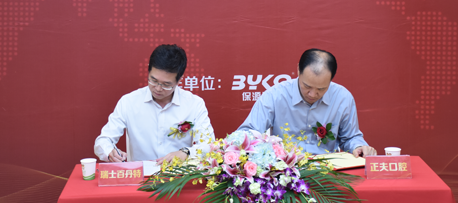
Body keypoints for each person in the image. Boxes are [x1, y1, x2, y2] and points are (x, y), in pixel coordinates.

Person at [238, 49, 376, 157]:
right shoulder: (275, 96)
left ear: (331, 79)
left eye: (321, 89)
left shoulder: (342, 98)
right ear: (298, 70)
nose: (312, 94)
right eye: (307, 86)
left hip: (328, 172)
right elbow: (248, 132)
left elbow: (350, 137)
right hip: (286, 171)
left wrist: (358, 147)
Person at [94, 44, 214, 163]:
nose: (158, 88)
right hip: (140, 173)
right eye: (153, 80)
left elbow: (209, 145)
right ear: (148, 70)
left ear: (180, 79)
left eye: (166, 84)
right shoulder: (129, 102)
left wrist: (186, 152)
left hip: (178, 173)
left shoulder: (194, 104)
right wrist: (110, 152)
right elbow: (103, 140)